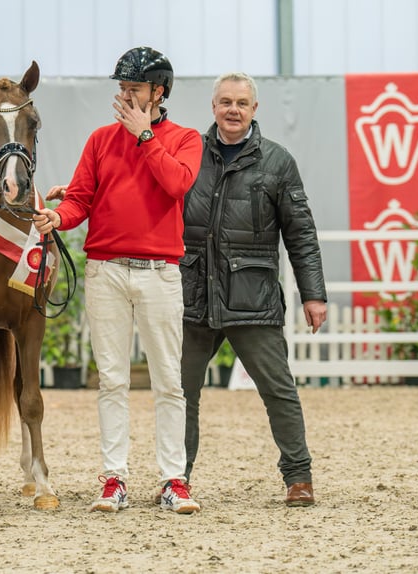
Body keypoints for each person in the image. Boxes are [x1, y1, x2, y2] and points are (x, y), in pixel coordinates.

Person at [32, 47, 203, 514]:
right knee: (111, 381)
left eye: (134, 88)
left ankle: (174, 479)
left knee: (169, 380)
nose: (124, 94)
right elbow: (81, 200)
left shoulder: (186, 139)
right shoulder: (99, 140)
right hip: (106, 270)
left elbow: (176, 186)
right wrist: (56, 217)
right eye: (121, 88)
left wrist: (144, 136)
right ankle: (114, 478)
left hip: (160, 273)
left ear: (158, 91)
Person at [179, 72, 328, 507]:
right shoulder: (189, 154)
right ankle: (177, 478)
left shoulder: (278, 162)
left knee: (278, 389)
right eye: (225, 101)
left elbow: (301, 234)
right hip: (194, 297)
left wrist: (313, 294)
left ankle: (298, 479)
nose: (233, 110)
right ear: (213, 107)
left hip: (253, 297)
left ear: (254, 110)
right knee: (180, 394)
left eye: (242, 103)